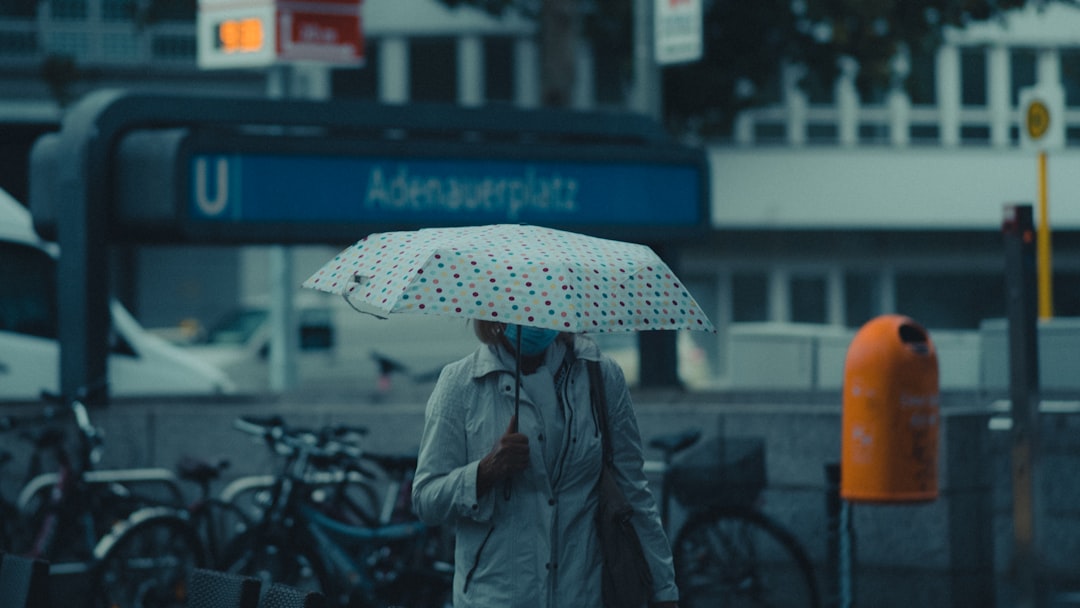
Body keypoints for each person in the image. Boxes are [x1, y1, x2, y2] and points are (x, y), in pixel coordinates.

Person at [412, 320, 679, 607]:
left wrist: (664, 590)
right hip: (494, 596)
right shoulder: (461, 383)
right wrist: (485, 471)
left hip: (583, 593)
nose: (531, 318)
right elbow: (426, 499)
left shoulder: (601, 375)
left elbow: (634, 492)